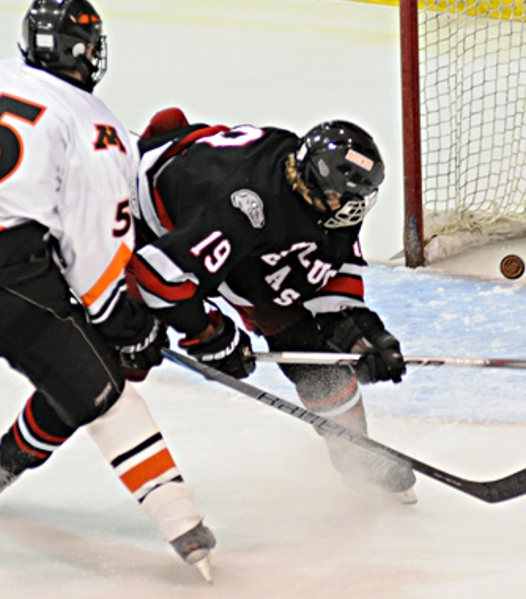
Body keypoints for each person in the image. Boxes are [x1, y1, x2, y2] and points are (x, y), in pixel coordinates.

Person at [0, 0, 215, 578]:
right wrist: (126, 325)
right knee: (106, 397)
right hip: (16, 291)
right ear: (86, 53)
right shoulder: (97, 125)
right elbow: (94, 248)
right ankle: (186, 529)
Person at [126, 107, 416, 502]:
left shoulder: (318, 195)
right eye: (347, 198)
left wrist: (362, 331)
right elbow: (158, 274)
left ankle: (355, 454)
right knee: (128, 353)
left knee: (308, 352)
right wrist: (210, 334)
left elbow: (331, 262)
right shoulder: (244, 208)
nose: (356, 208)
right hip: (140, 219)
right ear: (320, 188)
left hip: (233, 230)